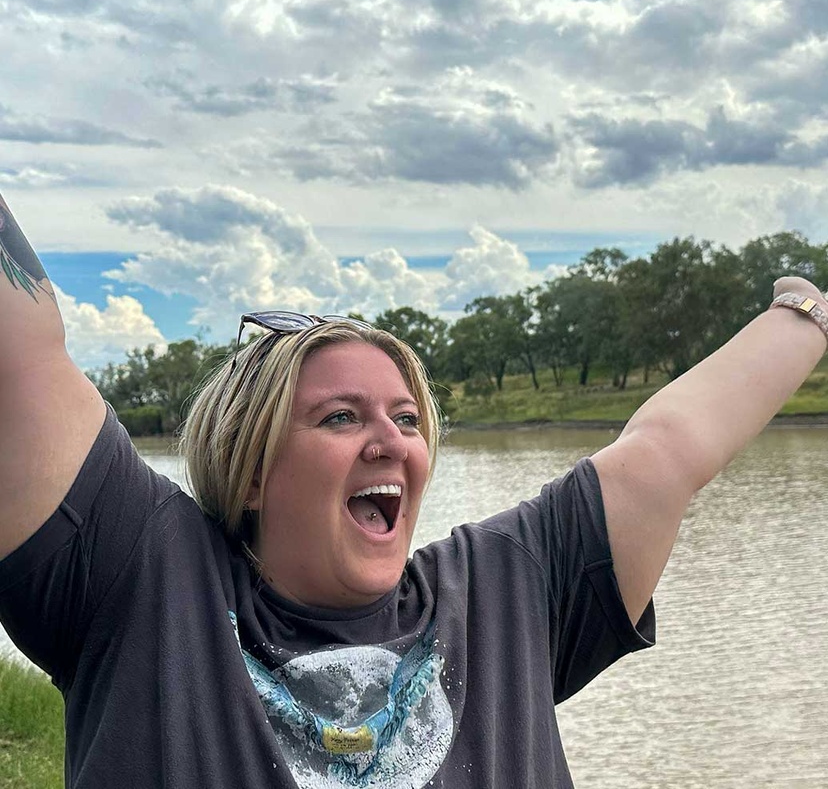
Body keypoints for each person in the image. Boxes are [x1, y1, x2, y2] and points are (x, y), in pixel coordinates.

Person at [0, 188, 826, 789]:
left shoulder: (509, 588)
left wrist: (808, 311)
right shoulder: (141, 581)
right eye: (340, 417)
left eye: (406, 417)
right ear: (249, 470)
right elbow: (20, 357)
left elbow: (668, 449)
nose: (392, 440)